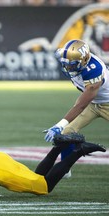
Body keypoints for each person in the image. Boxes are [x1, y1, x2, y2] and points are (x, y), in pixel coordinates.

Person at [44, 39, 109, 178]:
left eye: (72, 65)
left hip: (104, 103)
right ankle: (65, 169)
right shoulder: (70, 56)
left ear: (84, 60)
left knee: (63, 127)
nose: (68, 68)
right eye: (66, 64)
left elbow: (80, 105)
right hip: (94, 103)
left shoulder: (94, 72)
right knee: (67, 133)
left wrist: (58, 125)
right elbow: (61, 53)